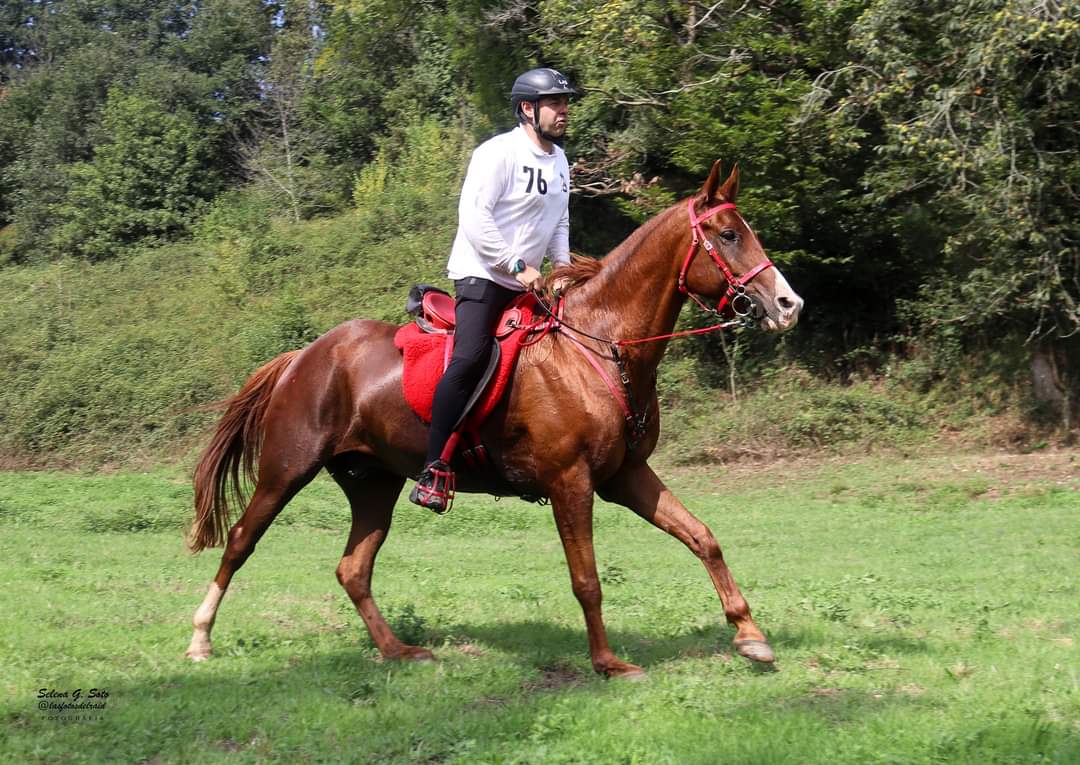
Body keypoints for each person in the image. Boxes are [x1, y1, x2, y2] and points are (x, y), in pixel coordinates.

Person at [409, 67, 576, 513]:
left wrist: (561, 266)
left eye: (565, 103)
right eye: (555, 103)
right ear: (527, 109)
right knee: (471, 360)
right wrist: (517, 265)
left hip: (532, 281)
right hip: (482, 275)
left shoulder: (560, 162)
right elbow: (475, 219)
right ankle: (433, 467)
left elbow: (558, 221)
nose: (564, 111)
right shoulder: (497, 153)